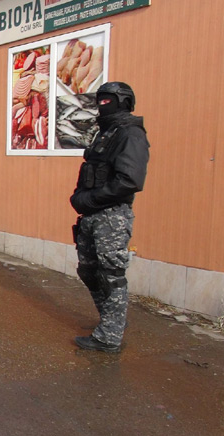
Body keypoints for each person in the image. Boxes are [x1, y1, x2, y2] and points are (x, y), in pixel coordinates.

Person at [70, 81, 149, 353]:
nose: (102, 105)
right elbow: (91, 171)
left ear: (124, 102)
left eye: (109, 100)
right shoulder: (104, 133)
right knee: (88, 270)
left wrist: (90, 199)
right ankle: (112, 321)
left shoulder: (130, 134)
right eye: (100, 100)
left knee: (111, 274)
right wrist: (80, 196)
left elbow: (130, 181)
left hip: (111, 216)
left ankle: (109, 337)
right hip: (91, 215)